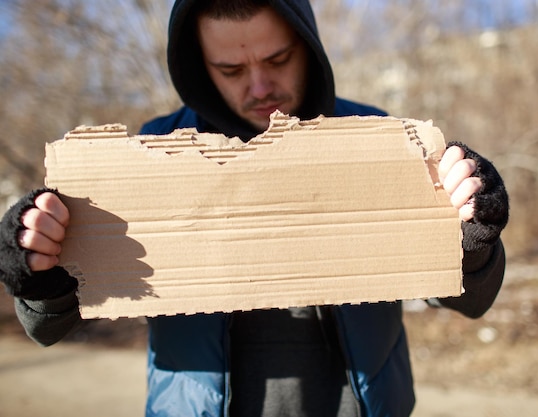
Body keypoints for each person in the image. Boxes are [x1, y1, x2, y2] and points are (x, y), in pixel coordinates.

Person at [0, 0, 509, 416]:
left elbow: (470, 299)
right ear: (199, 66)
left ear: (308, 46)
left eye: (278, 59)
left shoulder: (380, 138)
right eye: (231, 69)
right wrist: (40, 269)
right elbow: (49, 328)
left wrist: (471, 238)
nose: (260, 87)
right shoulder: (150, 154)